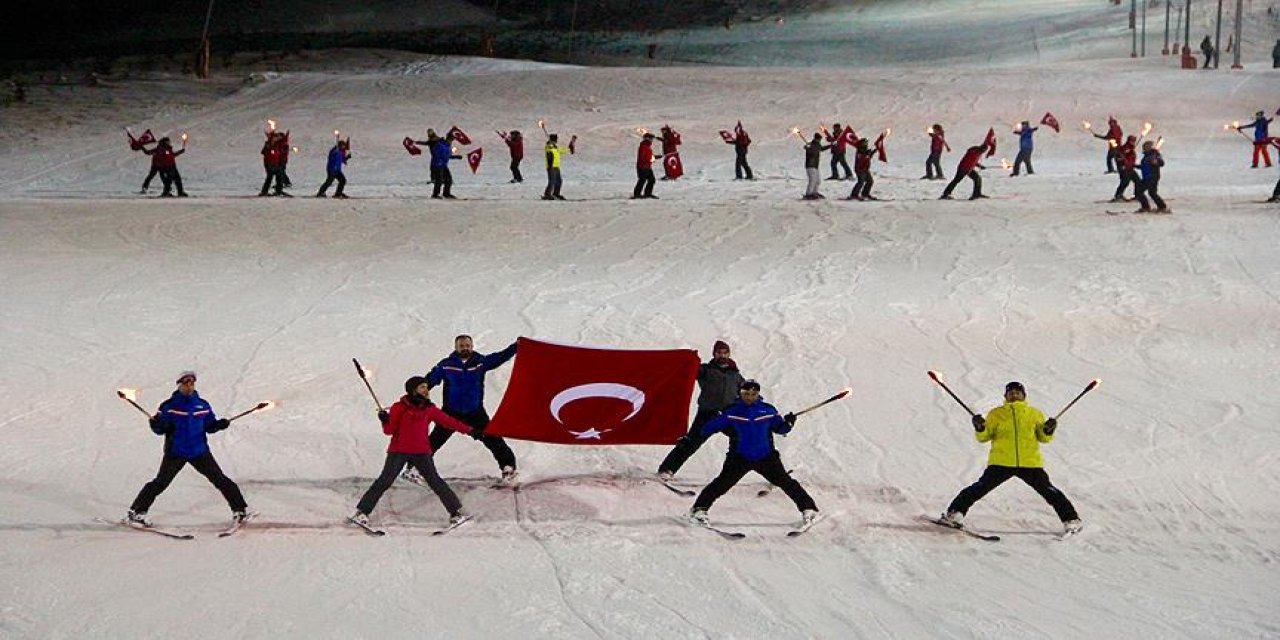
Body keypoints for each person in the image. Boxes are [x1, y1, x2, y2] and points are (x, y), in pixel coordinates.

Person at [938, 381, 1082, 535]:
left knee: (1050, 492)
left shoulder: (1034, 414)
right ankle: (954, 514)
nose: (1014, 395)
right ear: (1005, 396)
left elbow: (1043, 438)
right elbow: (984, 437)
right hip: (1001, 462)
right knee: (979, 488)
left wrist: (1048, 430)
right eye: (1011, 392)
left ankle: (1071, 520)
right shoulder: (996, 413)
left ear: (1024, 396)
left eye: (1017, 392)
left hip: (1030, 462)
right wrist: (980, 427)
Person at [687, 380, 819, 527]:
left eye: (753, 394)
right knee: (722, 483)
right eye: (746, 394)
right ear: (740, 393)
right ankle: (698, 509)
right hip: (739, 457)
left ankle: (809, 509)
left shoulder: (768, 410)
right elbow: (708, 428)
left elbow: (780, 429)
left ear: (758, 394)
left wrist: (788, 423)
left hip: (766, 456)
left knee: (786, 482)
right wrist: (699, 431)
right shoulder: (731, 411)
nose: (749, 397)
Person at [125, 371, 249, 526]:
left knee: (220, 480)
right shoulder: (169, 406)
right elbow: (161, 430)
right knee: (160, 483)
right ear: (179, 385)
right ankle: (136, 512)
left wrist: (220, 424)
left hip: (199, 451)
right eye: (186, 383)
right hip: (176, 452)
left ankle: (239, 510)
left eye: (192, 383)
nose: (189, 386)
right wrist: (155, 424)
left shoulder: (202, 405)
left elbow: (209, 426)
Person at [350, 376, 474, 528]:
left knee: (435, 481)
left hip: (422, 452)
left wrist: (470, 431)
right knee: (384, 481)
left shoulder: (429, 408)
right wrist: (384, 419)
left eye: (426, 387)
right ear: (413, 390)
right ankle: (362, 512)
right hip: (398, 451)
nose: (426, 390)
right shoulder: (399, 407)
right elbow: (389, 431)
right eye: (422, 387)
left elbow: (448, 421)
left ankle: (456, 512)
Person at [419, 335, 520, 483]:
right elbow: (429, 380)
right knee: (434, 441)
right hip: (451, 412)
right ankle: (415, 468)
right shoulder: (446, 365)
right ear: (456, 347)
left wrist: (516, 346)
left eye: (467, 345)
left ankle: (508, 468)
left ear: (472, 346)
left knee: (493, 439)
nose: (465, 348)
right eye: (461, 346)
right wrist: (417, 391)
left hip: (475, 412)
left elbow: (500, 357)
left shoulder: (480, 362)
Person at [656, 340, 746, 480]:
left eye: (724, 352)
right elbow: (689, 369)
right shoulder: (706, 370)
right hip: (708, 414)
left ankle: (731, 473)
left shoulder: (735, 375)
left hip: (727, 416)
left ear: (729, 354)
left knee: (742, 438)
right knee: (691, 442)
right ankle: (667, 470)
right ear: (714, 354)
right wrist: (687, 358)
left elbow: (746, 392)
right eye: (719, 353)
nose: (722, 355)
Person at [1135, 140, 1167, 213]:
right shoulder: (1146, 155)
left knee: (1151, 192)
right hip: (1146, 177)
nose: (1144, 148)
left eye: (1145, 147)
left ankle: (1162, 207)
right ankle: (1146, 207)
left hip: (1153, 177)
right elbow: (1144, 166)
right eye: (1144, 147)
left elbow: (1161, 163)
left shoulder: (1155, 154)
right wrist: (1135, 166)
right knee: (1139, 192)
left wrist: (1156, 162)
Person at [542, 133, 573, 200]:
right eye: (556, 139)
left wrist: (568, 149)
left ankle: (556, 193)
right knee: (552, 181)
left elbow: (561, 151)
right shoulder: (549, 146)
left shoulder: (555, 147)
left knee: (559, 181)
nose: (556, 141)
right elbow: (548, 152)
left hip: (556, 166)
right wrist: (549, 144)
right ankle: (547, 194)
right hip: (551, 166)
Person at [802, 132, 831, 200]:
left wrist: (831, 145)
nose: (819, 140)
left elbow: (822, 148)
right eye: (819, 139)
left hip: (815, 165)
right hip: (810, 165)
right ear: (816, 138)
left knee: (818, 180)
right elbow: (806, 148)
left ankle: (814, 192)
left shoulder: (817, 145)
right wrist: (807, 147)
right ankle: (809, 193)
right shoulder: (810, 144)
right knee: (812, 180)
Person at [1110, 135, 1139, 203]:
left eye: (1134, 141)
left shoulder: (1131, 148)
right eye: (1132, 141)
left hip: (1130, 167)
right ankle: (1118, 195)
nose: (1133, 142)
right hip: (1124, 168)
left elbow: (1131, 158)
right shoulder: (1125, 148)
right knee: (1125, 182)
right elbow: (1120, 157)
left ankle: (1137, 195)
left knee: (1137, 181)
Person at [259, 132, 287, 197]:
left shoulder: (277, 145)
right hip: (269, 164)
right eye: (275, 137)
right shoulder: (268, 144)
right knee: (269, 178)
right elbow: (263, 152)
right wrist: (270, 143)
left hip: (276, 163)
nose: (277, 139)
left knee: (279, 177)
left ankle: (278, 191)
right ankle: (264, 191)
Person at [633, 132, 659, 199]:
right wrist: (653, 158)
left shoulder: (647, 146)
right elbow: (643, 158)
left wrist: (654, 157)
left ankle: (648, 193)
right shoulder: (644, 146)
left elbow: (647, 156)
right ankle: (637, 194)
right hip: (642, 167)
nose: (652, 140)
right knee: (642, 180)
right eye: (651, 139)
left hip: (647, 166)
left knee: (651, 180)